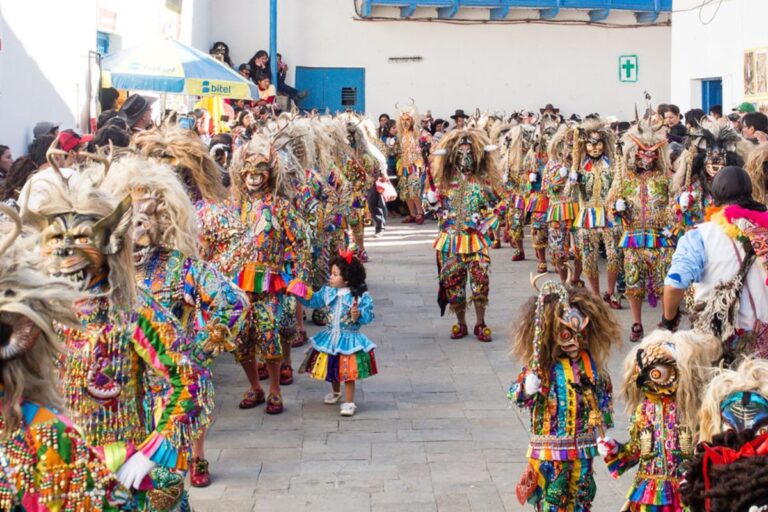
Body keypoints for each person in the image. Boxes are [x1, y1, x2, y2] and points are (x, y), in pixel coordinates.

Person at [102, 156, 249, 489]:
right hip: (113, 404)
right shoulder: (104, 273)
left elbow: (234, 303)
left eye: (147, 214)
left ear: (164, 217)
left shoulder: (178, 266)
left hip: (165, 397)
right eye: (127, 215)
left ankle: (195, 460)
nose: (137, 225)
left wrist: (194, 352)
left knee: (163, 487)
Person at [0, 205, 134, 511]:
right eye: (57, 239)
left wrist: (154, 450)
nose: (64, 253)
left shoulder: (131, 311)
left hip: (119, 449)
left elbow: (185, 376)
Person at [509, 278, 619, 512]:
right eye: (565, 335)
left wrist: (603, 436)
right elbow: (517, 395)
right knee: (552, 500)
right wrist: (527, 388)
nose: (573, 343)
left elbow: (603, 401)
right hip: (550, 450)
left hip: (583, 448)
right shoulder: (542, 368)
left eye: (579, 335)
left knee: (582, 498)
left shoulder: (592, 368)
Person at [597, 330, 721, 512]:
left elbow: (707, 448)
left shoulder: (694, 409)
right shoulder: (643, 411)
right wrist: (614, 450)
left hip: (686, 490)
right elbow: (636, 450)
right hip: (649, 493)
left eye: (657, 372)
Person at [662, 166, 768, 360]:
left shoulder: (699, 236)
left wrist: (668, 322)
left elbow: (674, 286)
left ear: (714, 196)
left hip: (718, 345)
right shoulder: (764, 227)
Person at [431, 128, 500, 341]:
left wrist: (486, 223)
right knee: (453, 281)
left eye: (468, 154)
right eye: (460, 154)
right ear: (452, 157)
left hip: (476, 240)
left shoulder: (484, 181)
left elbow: (499, 205)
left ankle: (480, 323)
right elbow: (433, 208)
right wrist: (431, 200)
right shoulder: (443, 183)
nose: (464, 159)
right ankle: (460, 323)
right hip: (450, 241)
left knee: (480, 279)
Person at [611, 118, 675, 342]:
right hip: (633, 237)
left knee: (664, 282)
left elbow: (674, 205)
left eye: (651, 154)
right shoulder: (625, 178)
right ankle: (636, 323)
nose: (647, 158)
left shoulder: (666, 178)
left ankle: (666, 322)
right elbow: (612, 207)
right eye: (642, 153)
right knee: (633, 283)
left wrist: (677, 214)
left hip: (660, 237)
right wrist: (616, 208)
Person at [297, 251, 377, 417]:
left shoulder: (359, 297)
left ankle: (349, 402)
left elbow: (369, 315)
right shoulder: (327, 292)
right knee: (333, 367)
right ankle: (335, 392)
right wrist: (301, 293)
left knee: (348, 373)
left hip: (349, 339)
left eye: (335, 275)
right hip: (330, 336)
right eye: (331, 274)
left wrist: (359, 315)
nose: (331, 278)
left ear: (346, 278)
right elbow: (314, 301)